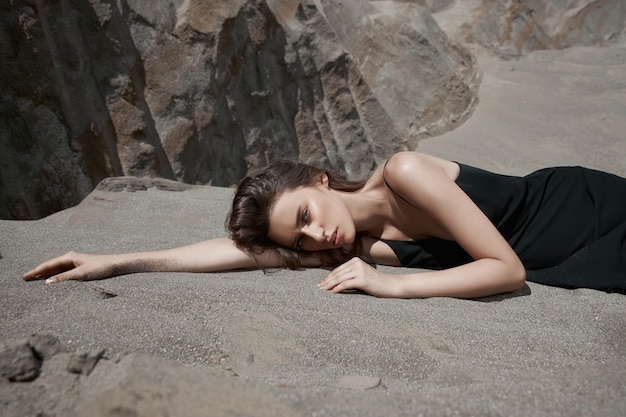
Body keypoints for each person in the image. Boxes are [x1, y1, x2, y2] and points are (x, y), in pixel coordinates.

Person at [22, 151, 626, 298]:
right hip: (573, 260)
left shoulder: (404, 171)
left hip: (587, 211)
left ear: (317, 180)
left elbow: (508, 270)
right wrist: (118, 261)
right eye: (299, 239)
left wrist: (393, 285)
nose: (315, 238)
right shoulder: (357, 247)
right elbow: (238, 253)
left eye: (305, 217)